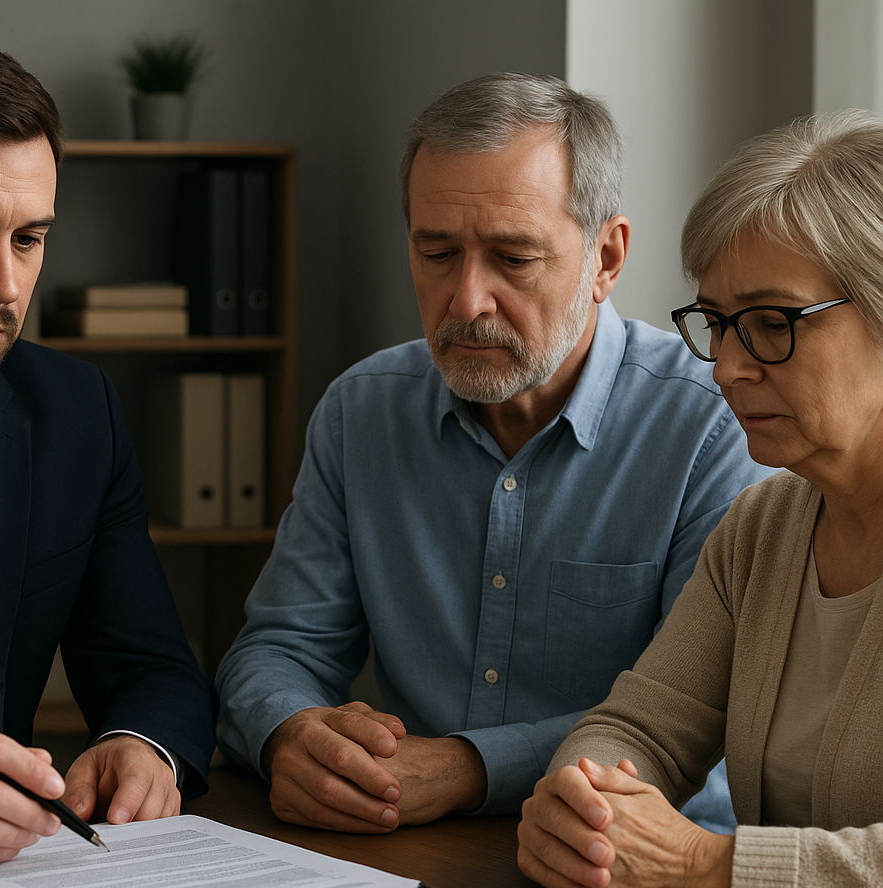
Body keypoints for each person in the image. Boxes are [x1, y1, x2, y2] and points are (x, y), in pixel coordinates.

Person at [215, 72, 770, 834]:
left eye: (513, 258)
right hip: (405, 846)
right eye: (437, 252)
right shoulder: (360, 411)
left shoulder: (713, 428)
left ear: (607, 258)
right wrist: (294, 734)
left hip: (630, 867)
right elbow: (279, 647)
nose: (467, 299)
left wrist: (467, 768)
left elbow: (698, 723)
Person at [517, 108, 883, 888]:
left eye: (770, 324)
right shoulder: (764, 528)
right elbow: (640, 724)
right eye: (716, 323)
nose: (725, 366)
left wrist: (699, 865)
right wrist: (583, 805)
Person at [0, 35, 217, 871]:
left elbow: (153, 668)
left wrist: (143, 749)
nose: (6, 285)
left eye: (29, 238)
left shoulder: (74, 414)